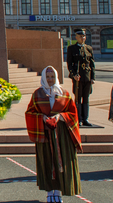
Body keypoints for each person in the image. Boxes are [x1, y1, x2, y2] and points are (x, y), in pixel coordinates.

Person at [25, 66, 82, 203]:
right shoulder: (37, 94)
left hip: (62, 134)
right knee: (47, 161)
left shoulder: (64, 93)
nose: (50, 80)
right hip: (44, 133)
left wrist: (59, 116)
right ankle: (50, 192)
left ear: (56, 77)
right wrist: (42, 118)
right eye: (48, 77)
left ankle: (59, 192)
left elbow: (73, 113)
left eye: (52, 77)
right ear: (44, 78)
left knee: (61, 162)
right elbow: (29, 113)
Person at [66, 29, 95, 126]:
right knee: (78, 98)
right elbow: (69, 64)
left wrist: (92, 78)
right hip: (78, 78)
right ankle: (77, 118)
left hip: (87, 77)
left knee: (86, 98)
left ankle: (85, 119)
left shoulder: (89, 48)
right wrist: (74, 75)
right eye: (80, 36)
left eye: (83, 36)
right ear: (76, 37)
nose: (82, 38)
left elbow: (92, 64)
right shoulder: (72, 48)